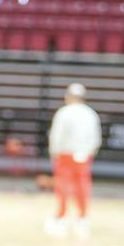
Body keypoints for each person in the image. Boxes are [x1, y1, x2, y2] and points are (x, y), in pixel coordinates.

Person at [46, 82, 100, 238]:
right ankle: (83, 217)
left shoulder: (64, 113)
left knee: (63, 186)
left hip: (65, 155)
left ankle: (61, 217)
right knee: (83, 186)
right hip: (83, 156)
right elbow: (95, 138)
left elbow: (56, 135)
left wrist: (54, 152)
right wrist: (89, 152)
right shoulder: (90, 114)